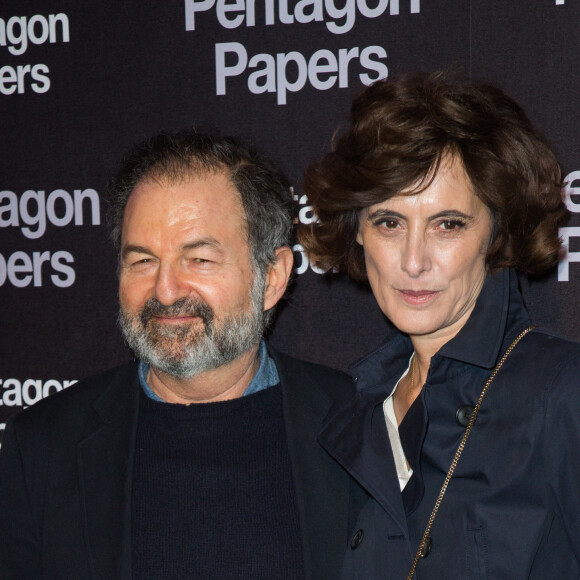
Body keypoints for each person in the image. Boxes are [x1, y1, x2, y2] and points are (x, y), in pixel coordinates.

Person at [0, 130, 365, 580]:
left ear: (272, 277)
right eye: (142, 261)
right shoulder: (42, 447)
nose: (166, 291)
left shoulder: (361, 425)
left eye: (199, 260)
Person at [298, 71, 580, 579]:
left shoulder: (561, 391)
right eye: (389, 222)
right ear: (357, 231)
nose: (412, 260)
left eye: (447, 224)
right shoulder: (355, 407)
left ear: (495, 233)